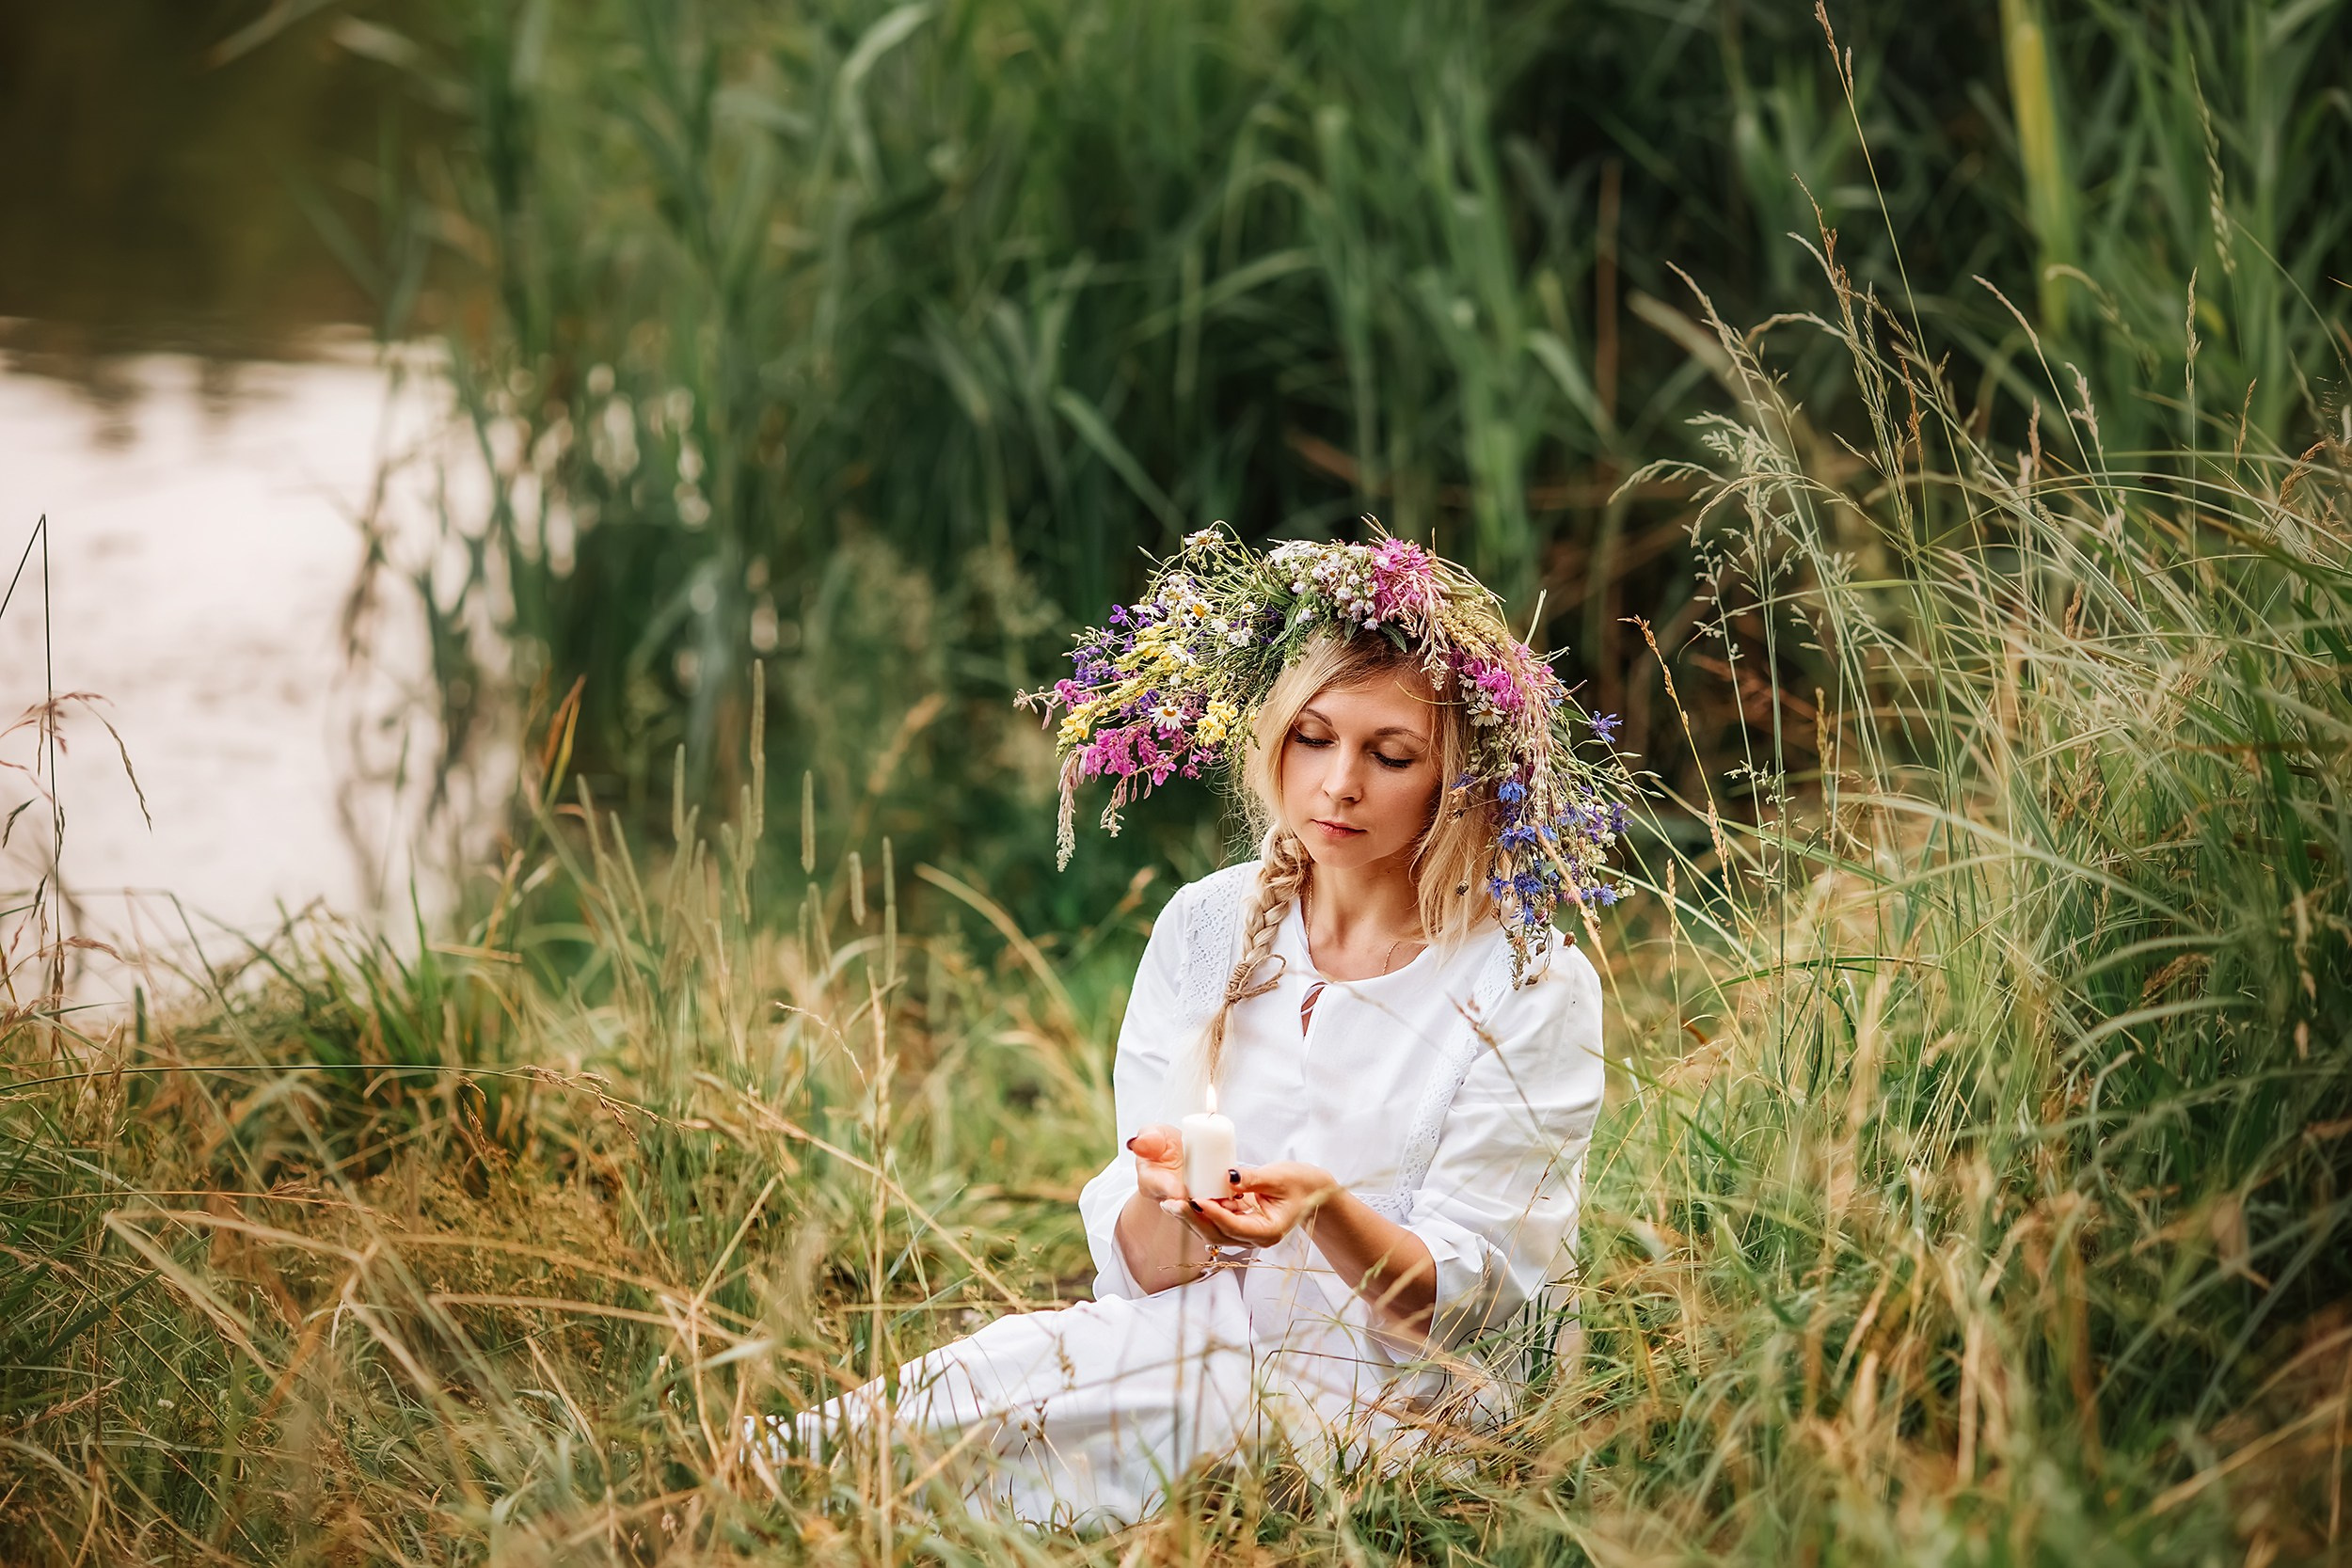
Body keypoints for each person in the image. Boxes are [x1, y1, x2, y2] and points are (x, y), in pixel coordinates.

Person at [756, 529, 1627, 1527]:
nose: (1339, 782)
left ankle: (848, 1514)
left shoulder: (1525, 977)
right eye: (1312, 736)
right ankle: (756, 1474)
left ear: (1457, 778)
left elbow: (1461, 1303)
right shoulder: (1210, 925)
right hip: (1199, 1327)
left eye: (1389, 755)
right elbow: (1141, 1271)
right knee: (1000, 1365)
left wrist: (1321, 1207)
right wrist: (1170, 1203)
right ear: (1273, 738)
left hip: (1402, 1397)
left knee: (1115, 1430)